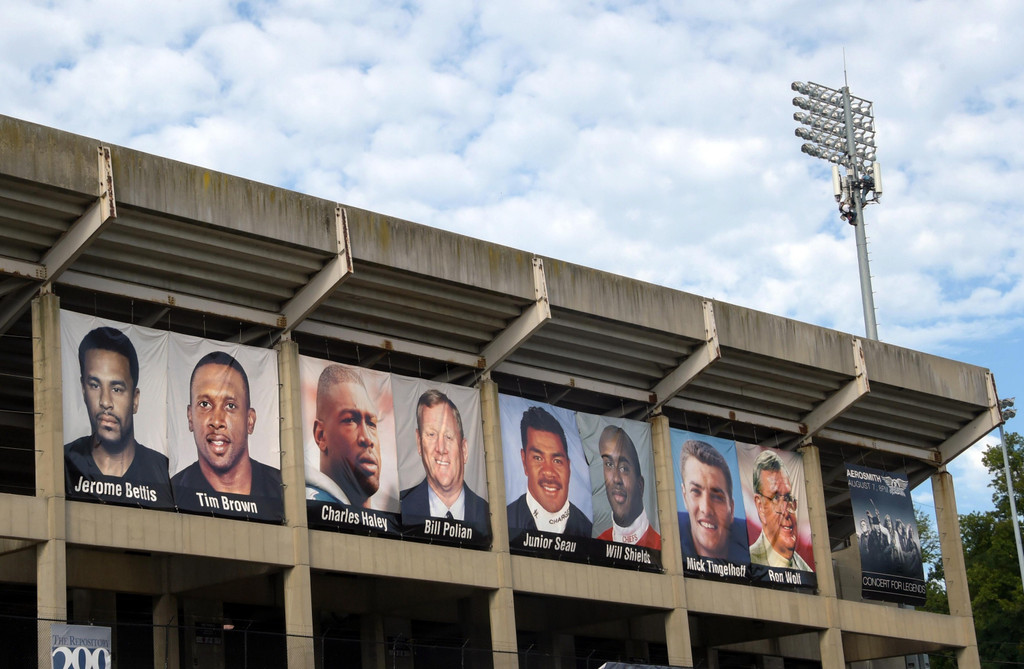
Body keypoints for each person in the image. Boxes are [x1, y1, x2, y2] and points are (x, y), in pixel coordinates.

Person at [64, 327, 172, 507]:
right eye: (95, 385)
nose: (105, 402)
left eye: (116, 389)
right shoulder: (63, 461)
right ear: (83, 391)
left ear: (135, 400)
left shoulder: (161, 470)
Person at [172, 352, 282, 507]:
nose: (217, 421)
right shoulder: (173, 494)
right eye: (205, 404)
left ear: (250, 421)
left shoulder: (283, 490)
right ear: (190, 417)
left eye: (230, 405)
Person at [400, 389, 489, 536]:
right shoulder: (401, 506)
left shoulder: (487, 514)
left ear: (464, 449)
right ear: (419, 442)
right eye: (431, 434)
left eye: (448, 437)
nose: (441, 448)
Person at [507, 406, 592, 536]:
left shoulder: (588, 531)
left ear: (568, 467)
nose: (549, 472)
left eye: (557, 461)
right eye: (538, 458)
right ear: (524, 462)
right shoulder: (505, 521)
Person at [306, 364, 381, 508]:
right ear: (321, 435)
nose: (367, 439)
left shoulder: (388, 521)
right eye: (350, 420)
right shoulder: (310, 508)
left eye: (371, 423)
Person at [677, 440, 747, 562]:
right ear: (684, 496)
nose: (706, 509)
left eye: (717, 497)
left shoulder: (751, 544)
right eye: (696, 491)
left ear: (732, 508)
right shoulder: (670, 535)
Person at [595, 426, 660, 548]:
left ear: (640, 485)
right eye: (609, 464)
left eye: (624, 468)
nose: (616, 479)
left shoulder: (659, 546)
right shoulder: (598, 546)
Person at [749, 450, 811, 571]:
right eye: (776, 498)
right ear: (760, 506)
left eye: (788, 498)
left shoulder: (807, 572)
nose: (786, 511)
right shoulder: (748, 562)